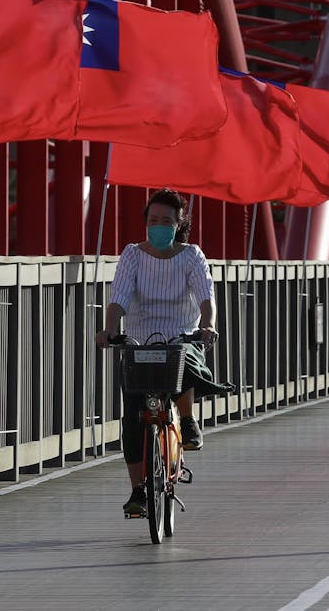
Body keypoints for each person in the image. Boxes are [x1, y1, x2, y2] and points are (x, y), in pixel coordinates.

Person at [94, 188, 231, 517]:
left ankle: (186, 421)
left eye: (166, 221)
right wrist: (110, 330)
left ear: (179, 224)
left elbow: (205, 297)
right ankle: (138, 491)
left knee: (182, 358)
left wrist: (208, 325)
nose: (158, 226)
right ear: (145, 223)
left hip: (180, 337)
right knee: (132, 419)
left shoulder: (191, 256)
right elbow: (119, 299)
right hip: (140, 342)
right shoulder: (132, 255)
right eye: (153, 220)